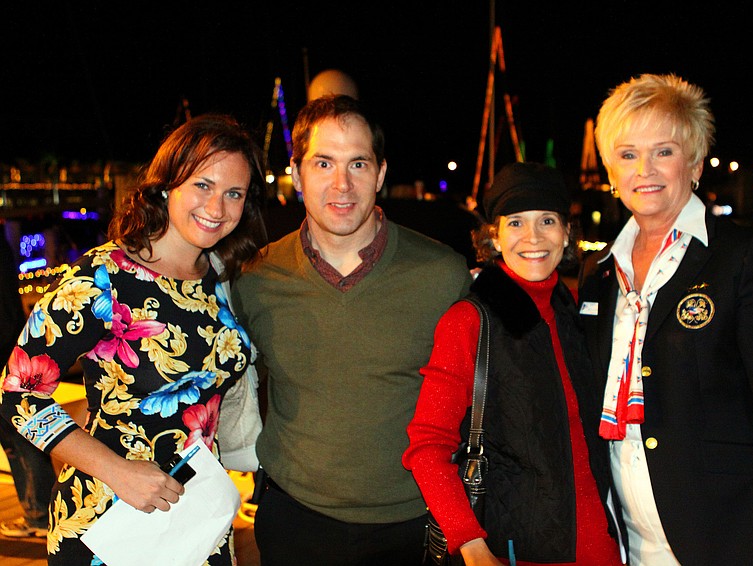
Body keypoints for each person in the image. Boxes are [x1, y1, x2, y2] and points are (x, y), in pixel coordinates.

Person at [578, 73, 753, 565]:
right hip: (629, 544)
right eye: (628, 154)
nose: (645, 170)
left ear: (695, 163)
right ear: (611, 170)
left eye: (664, 151)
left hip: (729, 541)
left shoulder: (742, 258)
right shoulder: (600, 273)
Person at [0, 113, 268, 564]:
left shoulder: (224, 279)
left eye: (234, 193)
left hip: (195, 517)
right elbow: (16, 393)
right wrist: (119, 472)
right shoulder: (105, 276)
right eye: (203, 185)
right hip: (108, 519)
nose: (217, 207)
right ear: (167, 186)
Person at [232, 94, 472, 566]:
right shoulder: (256, 278)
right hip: (293, 522)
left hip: (414, 526)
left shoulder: (443, 275)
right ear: (297, 174)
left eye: (358, 164)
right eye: (324, 163)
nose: (342, 184)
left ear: (380, 174)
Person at [404, 162, 625, 566]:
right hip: (514, 552)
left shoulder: (572, 311)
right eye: (516, 223)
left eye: (547, 221)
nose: (533, 237)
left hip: (603, 545)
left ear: (566, 232)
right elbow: (427, 446)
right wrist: (470, 543)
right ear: (495, 236)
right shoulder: (470, 321)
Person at [0, 228, 57, 539]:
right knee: (18, 437)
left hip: (6, 358)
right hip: (9, 353)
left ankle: (39, 513)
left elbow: (6, 313)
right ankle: (38, 512)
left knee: (20, 436)